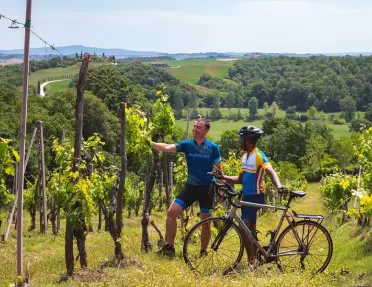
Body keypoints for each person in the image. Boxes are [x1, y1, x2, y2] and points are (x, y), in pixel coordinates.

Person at [211, 125, 285, 266]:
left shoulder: (259, 156)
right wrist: (223, 176)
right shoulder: (245, 157)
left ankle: (251, 263)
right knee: (249, 232)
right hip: (246, 197)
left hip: (256, 196)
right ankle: (257, 259)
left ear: (248, 141)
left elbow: (270, 171)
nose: (239, 141)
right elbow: (239, 180)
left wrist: (279, 186)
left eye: (241, 139)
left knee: (242, 229)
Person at [149, 117, 223, 257]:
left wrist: (221, 188)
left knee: (205, 222)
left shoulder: (213, 148)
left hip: (207, 188)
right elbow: (166, 148)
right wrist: (151, 143)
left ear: (206, 131)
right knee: (172, 212)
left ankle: (203, 251)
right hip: (191, 187)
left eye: (198, 127)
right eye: (194, 126)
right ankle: (169, 247)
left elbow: (220, 170)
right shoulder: (187, 144)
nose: (194, 129)